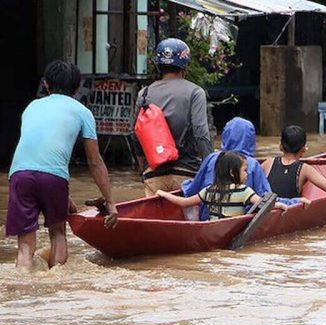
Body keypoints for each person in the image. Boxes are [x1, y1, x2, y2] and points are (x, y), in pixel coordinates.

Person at [6, 60, 118, 270]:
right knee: (58, 233)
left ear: (46, 84)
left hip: (19, 173)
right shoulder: (83, 112)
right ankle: (57, 286)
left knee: (24, 246)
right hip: (53, 177)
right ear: (77, 88)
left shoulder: (32, 107)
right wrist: (110, 201)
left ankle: (22, 286)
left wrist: (63, 196)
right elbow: (94, 162)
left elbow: (38, 153)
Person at [134, 38, 212, 197]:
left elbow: (134, 134)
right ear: (185, 65)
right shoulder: (195, 93)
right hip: (186, 173)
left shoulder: (144, 93)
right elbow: (201, 133)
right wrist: (210, 168)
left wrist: (142, 167)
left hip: (153, 174)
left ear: (158, 65)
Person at [158, 151, 287, 219]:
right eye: (244, 170)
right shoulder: (244, 191)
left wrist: (163, 194)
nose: (247, 174)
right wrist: (280, 204)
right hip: (230, 230)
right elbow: (263, 203)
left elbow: (184, 202)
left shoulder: (209, 190)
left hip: (210, 230)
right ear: (232, 172)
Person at [262, 125, 326, 202]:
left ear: (280, 146)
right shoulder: (305, 169)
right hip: (287, 209)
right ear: (303, 149)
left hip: (267, 208)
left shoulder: (267, 163)